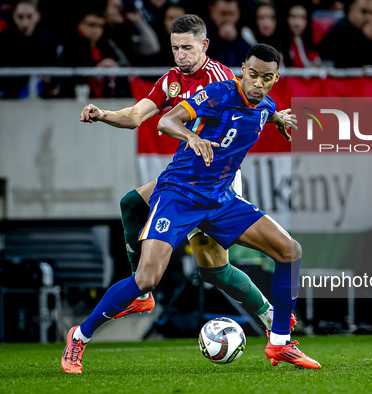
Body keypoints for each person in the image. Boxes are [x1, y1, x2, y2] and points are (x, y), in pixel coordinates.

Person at [62, 43, 321, 372]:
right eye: (253, 75)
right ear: (242, 70)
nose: (258, 83)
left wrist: (278, 119)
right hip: (179, 196)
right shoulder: (218, 93)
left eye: (266, 78)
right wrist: (192, 137)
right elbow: (166, 121)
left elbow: (262, 110)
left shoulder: (265, 104)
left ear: (275, 78)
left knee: (289, 250)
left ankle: (280, 343)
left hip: (221, 200)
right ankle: (79, 337)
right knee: (146, 278)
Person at [76, 15, 294, 331]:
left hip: (218, 178)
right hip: (187, 175)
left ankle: (267, 313)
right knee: (132, 203)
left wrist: (274, 117)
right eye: (176, 48)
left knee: (214, 269)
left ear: (204, 45)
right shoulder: (171, 80)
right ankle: (141, 290)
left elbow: (247, 98)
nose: (181, 55)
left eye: (187, 48)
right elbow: (137, 115)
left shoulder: (217, 77)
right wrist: (103, 114)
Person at [0, 0, 58, 98]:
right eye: (20, 17)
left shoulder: (47, 40)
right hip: (10, 97)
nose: (25, 22)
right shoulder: (3, 39)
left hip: (42, 97)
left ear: (37, 16)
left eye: (29, 16)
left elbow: (54, 67)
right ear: (13, 16)